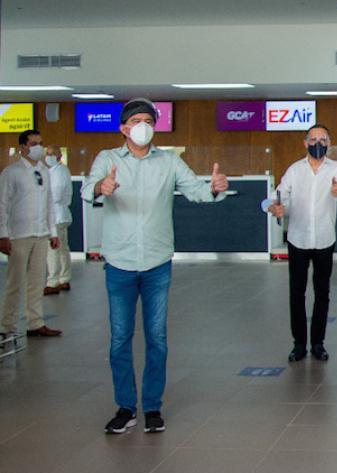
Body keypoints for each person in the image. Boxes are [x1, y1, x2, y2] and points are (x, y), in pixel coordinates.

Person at [82, 98, 229, 434]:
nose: (142, 125)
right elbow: (87, 190)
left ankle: (152, 407)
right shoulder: (107, 159)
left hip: (157, 262)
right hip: (119, 262)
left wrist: (215, 188)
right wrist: (101, 188)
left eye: (148, 120)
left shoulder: (169, 162)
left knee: (157, 338)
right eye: (136, 120)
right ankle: (125, 406)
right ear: (123, 127)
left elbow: (196, 191)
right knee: (120, 337)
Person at [264, 123, 337, 363]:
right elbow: (280, 196)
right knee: (296, 293)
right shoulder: (294, 170)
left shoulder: (336, 168)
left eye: (323, 139)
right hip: (298, 238)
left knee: (322, 293)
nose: (318, 143)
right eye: (313, 139)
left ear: (329, 143)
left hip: (324, 237)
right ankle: (299, 344)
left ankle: (318, 343)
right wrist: (274, 206)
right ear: (305, 143)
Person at [1, 129, 61, 339]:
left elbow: (49, 204)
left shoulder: (44, 171)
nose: (38, 147)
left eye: (40, 143)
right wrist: (3, 234)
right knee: (15, 282)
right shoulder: (12, 172)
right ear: (23, 147)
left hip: (40, 233)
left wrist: (53, 232)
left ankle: (35, 322)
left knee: (36, 281)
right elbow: (2, 205)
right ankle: (6, 325)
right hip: (19, 234)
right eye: (34, 143)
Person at [43, 146, 74, 295]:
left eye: (51, 154)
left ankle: (53, 282)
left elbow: (55, 194)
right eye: (47, 154)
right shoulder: (52, 171)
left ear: (59, 155)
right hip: (57, 215)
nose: (48, 157)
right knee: (61, 249)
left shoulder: (60, 171)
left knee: (53, 249)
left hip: (57, 216)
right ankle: (64, 278)